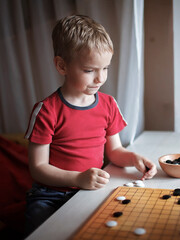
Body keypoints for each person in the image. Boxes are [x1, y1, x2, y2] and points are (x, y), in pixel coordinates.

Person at [23, 15, 157, 236]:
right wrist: (77, 179)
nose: (100, 78)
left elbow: (114, 152)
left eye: (105, 68)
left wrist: (133, 159)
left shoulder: (108, 104)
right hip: (50, 196)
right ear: (61, 65)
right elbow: (38, 168)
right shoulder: (46, 110)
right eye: (89, 70)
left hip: (92, 191)